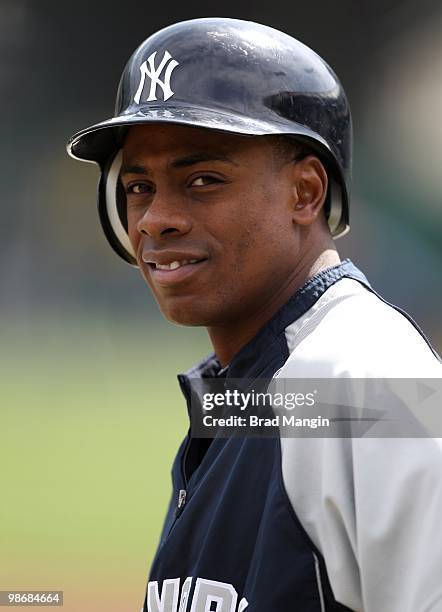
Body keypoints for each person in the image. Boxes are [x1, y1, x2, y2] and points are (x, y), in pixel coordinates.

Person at [67, 18, 442, 612]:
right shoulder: (249, 390)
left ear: (305, 192)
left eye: (203, 180)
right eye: (139, 187)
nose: (155, 219)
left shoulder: (368, 382)